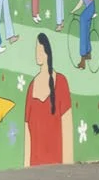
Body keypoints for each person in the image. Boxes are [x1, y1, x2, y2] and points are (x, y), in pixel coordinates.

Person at [24, 33, 73, 165]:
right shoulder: (32, 87)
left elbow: (67, 129)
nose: (37, 53)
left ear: (47, 52)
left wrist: (68, 165)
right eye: (36, 50)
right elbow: (27, 133)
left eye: (40, 50)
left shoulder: (61, 82)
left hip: (56, 166)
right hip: (35, 165)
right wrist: (26, 166)